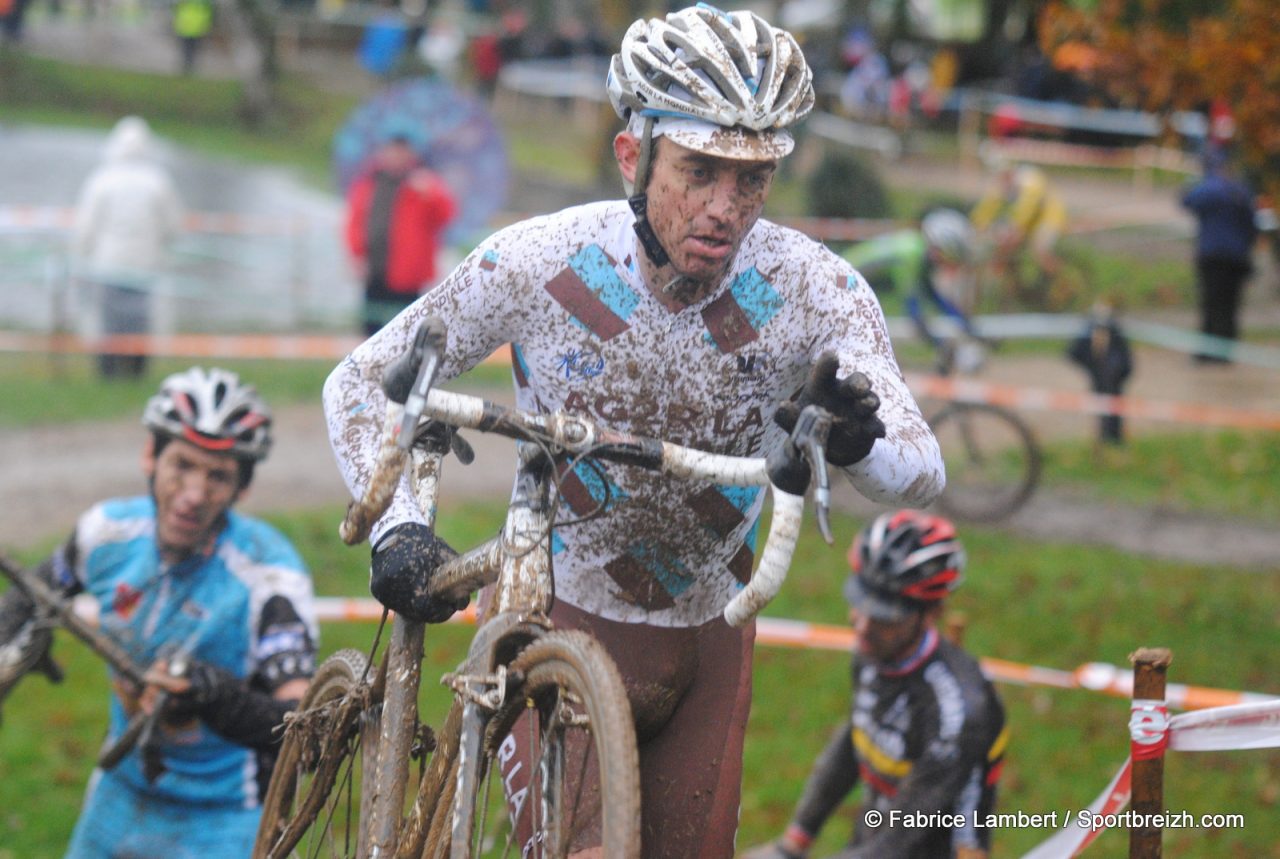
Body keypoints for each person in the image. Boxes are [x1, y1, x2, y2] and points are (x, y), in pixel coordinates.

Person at [322, 6, 943, 857]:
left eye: (752, 179)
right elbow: (359, 379)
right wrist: (395, 526)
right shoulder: (541, 262)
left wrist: (854, 439)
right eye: (698, 170)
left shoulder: (809, 288)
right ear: (632, 155)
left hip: (709, 639)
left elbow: (923, 471)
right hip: (558, 621)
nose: (726, 208)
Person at [0, 368, 318, 858]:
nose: (193, 494)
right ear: (150, 457)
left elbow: (307, 726)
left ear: (241, 490)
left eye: (218, 476)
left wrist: (216, 697)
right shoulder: (106, 534)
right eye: (182, 466)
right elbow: (26, 599)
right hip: (121, 791)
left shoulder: (268, 577)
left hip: (228, 815)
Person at [744, 510, 1007, 859]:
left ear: (931, 614)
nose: (862, 626)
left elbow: (902, 837)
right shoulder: (878, 650)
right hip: (873, 836)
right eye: (860, 603)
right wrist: (793, 843)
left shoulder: (955, 711)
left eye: (884, 614)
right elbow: (853, 742)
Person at [71, 116, 185, 380]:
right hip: (145, 266)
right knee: (139, 321)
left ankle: (108, 372)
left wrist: (80, 257)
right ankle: (135, 372)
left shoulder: (101, 180)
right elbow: (174, 226)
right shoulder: (158, 180)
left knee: (109, 322)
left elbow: (85, 227)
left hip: (106, 265)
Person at [343, 132, 458, 336]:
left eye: (402, 151)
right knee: (371, 332)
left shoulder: (424, 184)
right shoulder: (369, 184)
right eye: (393, 150)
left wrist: (430, 193)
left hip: (408, 276)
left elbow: (446, 215)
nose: (396, 156)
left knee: (406, 333)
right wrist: (357, 255)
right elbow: (354, 223)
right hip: (375, 271)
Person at [843, 208, 982, 373]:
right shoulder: (911, 253)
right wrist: (940, 343)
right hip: (842, 280)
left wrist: (965, 323)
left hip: (850, 279)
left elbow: (931, 296)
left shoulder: (918, 248)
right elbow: (914, 310)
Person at [1180, 147, 1259, 364]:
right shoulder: (1241, 190)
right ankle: (1224, 353)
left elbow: (1186, 201)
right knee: (1230, 306)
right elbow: (1252, 224)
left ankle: (1208, 352)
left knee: (1211, 305)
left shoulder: (1209, 188)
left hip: (1213, 256)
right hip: (1236, 258)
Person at [969, 157, 1068, 293]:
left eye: (1003, 176)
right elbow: (989, 205)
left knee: (1039, 250)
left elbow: (1028, 206)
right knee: (1007, 247)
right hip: (1029, 223)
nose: (1001, 180)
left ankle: (1064, 282)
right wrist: (977, 223)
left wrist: (1016, 226)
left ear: (1009, 171)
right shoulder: (1003, 183)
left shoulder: (1029, 179)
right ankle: (1014, 288)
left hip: (1050, 218)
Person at [1066, 300, 1133, 446]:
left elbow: (1127, 362)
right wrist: (1091, 367)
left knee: (1114, 411)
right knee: (1101, 409)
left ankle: (1115, 439)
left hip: (1115, 380)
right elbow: (1072, 353)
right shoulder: (1088, 334)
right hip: (1099, 378)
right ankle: (1103, 438)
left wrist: (1117, 373)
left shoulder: (1115, 334)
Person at [172, 0, 213, 75]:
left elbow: (206, 13)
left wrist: (205, 26)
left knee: (193, 50)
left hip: (195, 29)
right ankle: (186, 67)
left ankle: (190, 67)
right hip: (185, 28)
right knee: (186, 49)